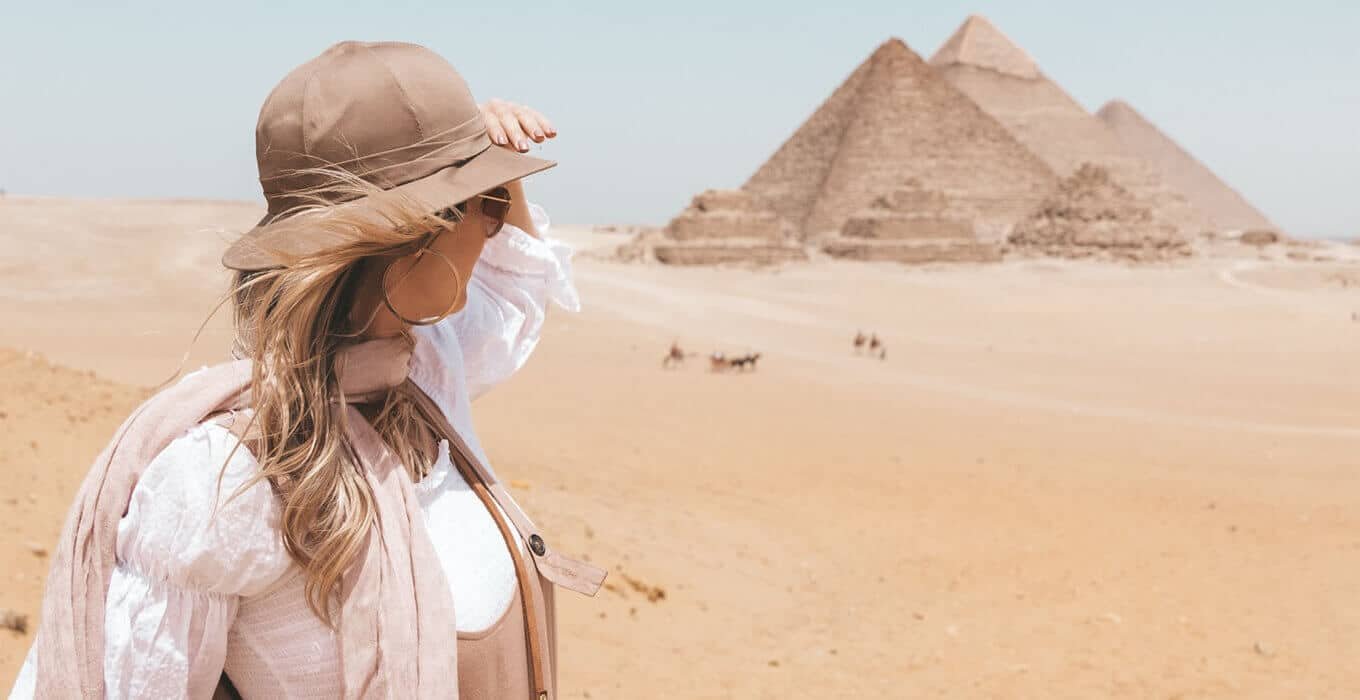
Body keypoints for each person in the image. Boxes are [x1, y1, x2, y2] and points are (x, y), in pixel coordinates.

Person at [11, 40, 603, 699]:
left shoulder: (426, 375)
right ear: (418, 232)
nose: (500, 225)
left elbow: (516, 292)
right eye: (486, 203)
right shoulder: (228, 480)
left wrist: (498, 168)